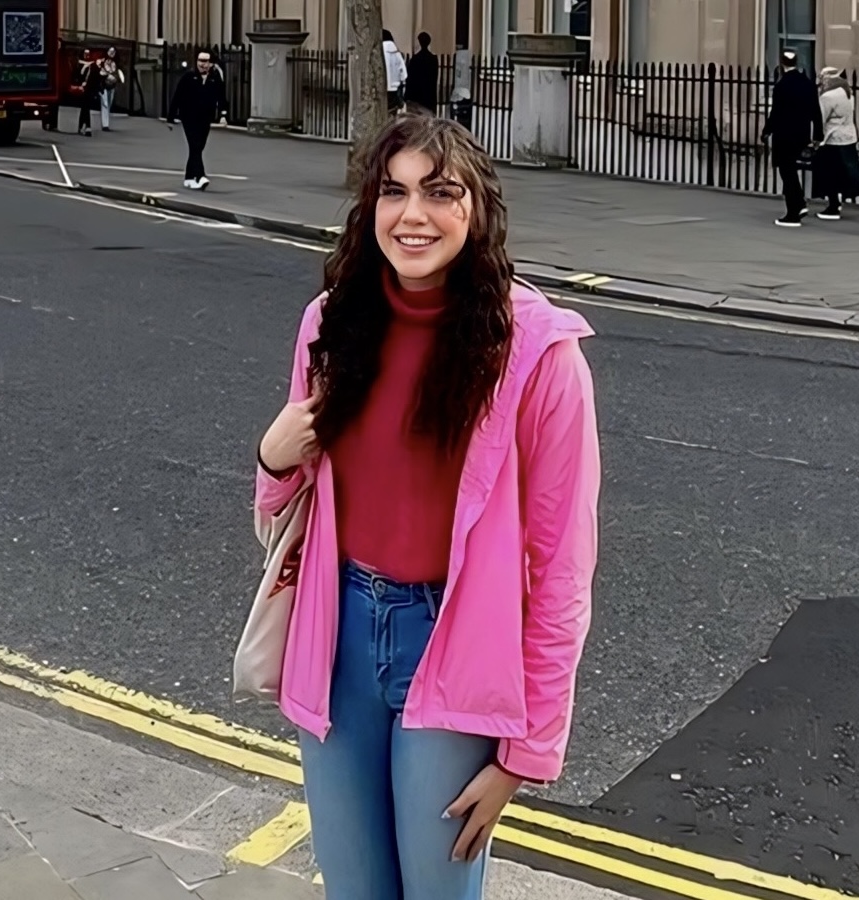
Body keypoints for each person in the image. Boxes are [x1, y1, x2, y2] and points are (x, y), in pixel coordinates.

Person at [253, 113, 601, 900]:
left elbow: (561, 568)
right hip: (336, 629)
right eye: (393, 192)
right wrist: (274, 456)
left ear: (476, 210)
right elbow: (282, 511)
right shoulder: (332, 324)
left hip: (452, 646)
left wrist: (526, 751)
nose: (413, 216)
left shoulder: (538, 353)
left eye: (439, 193)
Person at [761, 49, 822, 227]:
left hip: (784, 136)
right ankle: (800, 203)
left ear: (782, 64)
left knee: (787, 173)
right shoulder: (807, 84)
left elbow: (776, 113)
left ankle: (793, 212)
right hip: (801, 134)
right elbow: (815, 112)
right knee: (792, 171)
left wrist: (766, 130)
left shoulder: (781, 86)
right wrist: (817, 134)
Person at [812, 67, 859, 220]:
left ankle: (833, 205)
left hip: (832, 138)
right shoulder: (847, 92)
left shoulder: (828, 96)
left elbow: (821, 118)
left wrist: (816, 139)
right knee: (845, 170)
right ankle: (841, 199)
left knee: (829, 173)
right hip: (848, 137)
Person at [168, 50, 227, 190]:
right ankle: (200, 176)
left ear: (211, 63)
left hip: (206, 117)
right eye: (200, 60)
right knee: (194, 145)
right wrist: (170, 117)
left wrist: (223, 115)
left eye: (205, 61)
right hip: (188, 116)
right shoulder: (188, 77)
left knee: (198, 147)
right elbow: (177, 96)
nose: (202, 64)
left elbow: (221, 97)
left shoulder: (215, 78)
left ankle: (189, 177)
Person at [405, 31, 439, 114]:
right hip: (428, 96)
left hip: (416, 96)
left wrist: (407, 95)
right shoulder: (433, 59)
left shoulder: (415, 59)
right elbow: (434, 77)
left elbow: (410, 78)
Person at [77, 52, 105, 136]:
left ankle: (83, 126)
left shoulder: (96, 67)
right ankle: (86, 127)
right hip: (89, 89)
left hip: (90, 90)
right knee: (85, 109)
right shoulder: (94, 67)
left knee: (85, 109)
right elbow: (89, 78)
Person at [382, 29, 407, 113]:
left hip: (382, 89)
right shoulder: (396, 51)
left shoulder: (379, 50)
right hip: (394, 90)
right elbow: (404, 74)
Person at [98, 47, 121, 132]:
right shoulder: (102, 61)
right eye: (110, 51)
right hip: (103, 85)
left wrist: (115, 79)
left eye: (113, 52)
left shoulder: (115, 63)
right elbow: (100, 73)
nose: (112, 53)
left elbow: (118, 73)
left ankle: (106, 123)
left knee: (109, 104)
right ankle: (105, 125)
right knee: (105, 104)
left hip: (112, 86)